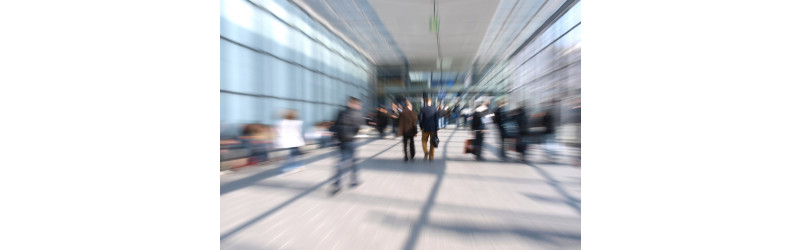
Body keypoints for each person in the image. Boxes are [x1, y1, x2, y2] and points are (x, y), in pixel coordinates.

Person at [330, 97, 364, 195]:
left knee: (343, 161)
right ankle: (354, 181)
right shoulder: (358, 114)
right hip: (351, 140)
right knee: (353, 161)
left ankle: (338, 183)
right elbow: (359, 127)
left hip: (341, 140)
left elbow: (335, 126)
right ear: (355, 104)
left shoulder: (341, 113)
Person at [276, 110, 306, 174]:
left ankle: (292, 166)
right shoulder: (298, 122)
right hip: (296, 140)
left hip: (288, 140)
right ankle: (297, 165)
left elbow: (280, 132)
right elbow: (299, 131)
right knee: (295, 153)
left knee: (293, 153)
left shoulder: (282, 122)